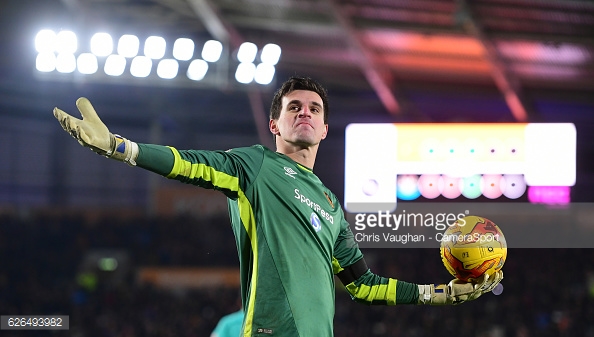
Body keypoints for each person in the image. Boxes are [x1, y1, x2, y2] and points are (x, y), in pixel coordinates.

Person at [53, 76, 503, 336]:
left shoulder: (331, 206)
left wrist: (438, 294)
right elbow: (191, 165)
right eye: (293, 107)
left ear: (326, 128)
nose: (304, 113)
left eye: (314, 109)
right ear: (275, 122)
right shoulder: (256, 166)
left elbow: (364, 286)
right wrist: (119, 147)